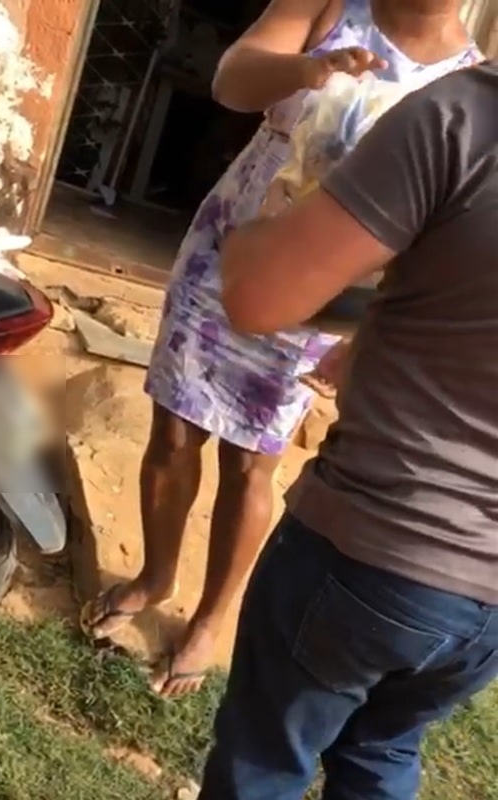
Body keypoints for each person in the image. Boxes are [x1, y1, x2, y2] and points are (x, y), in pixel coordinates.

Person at [81, 0, 481, 697]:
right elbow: (231, 80)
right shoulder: (330, 7)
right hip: (229, 245)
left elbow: (437, 242)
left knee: (249, 462)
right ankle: (156, 575)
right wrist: (307, 69)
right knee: (173, 430)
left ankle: (211, 619)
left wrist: (362, 338)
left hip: (326, 296)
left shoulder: (469, 86)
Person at [198, 61, 498, 800]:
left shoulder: (463, 118)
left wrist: (269, 215)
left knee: (263, 763)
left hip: (375, 544)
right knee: (383, 750)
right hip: (484, 606)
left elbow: (258, 296)